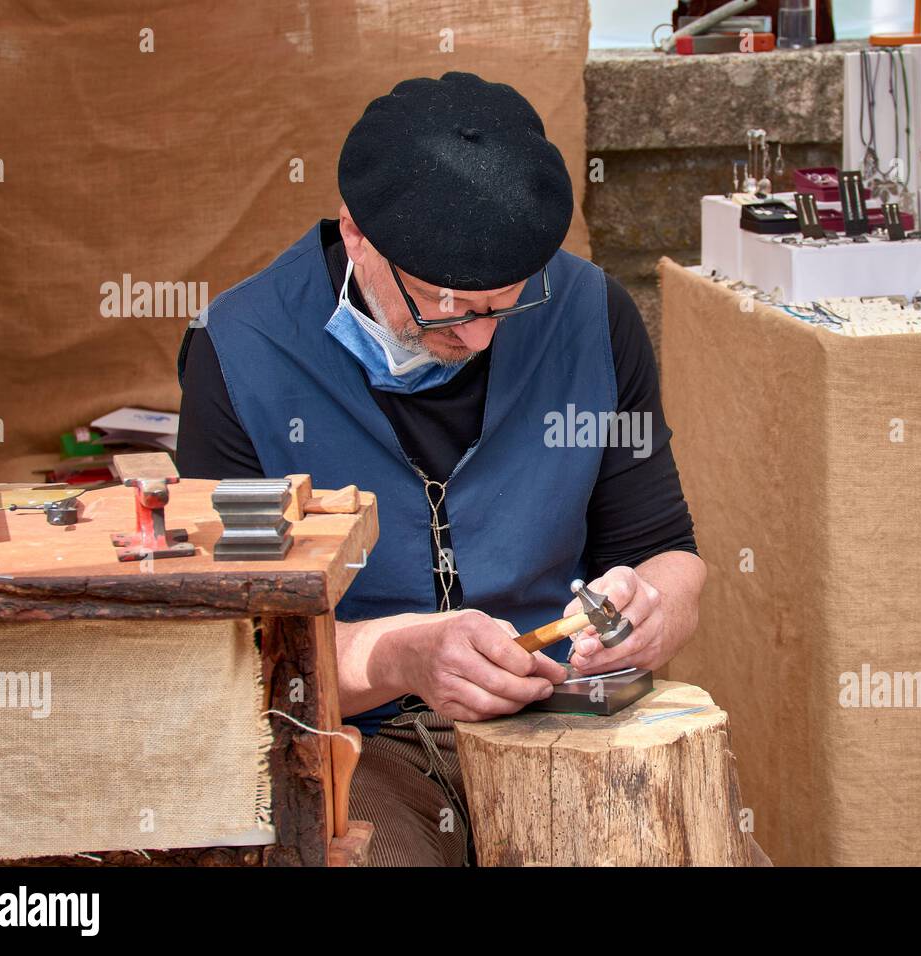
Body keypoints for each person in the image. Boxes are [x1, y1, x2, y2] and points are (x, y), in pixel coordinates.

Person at [175, 71, 705, 865]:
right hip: (358, 733)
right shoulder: (241, 351)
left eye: (507, 301)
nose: (480, 337)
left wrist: (652, 610)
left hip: (560, 715)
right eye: (444, 303)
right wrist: (401, 656)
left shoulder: (591, 313)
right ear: (357, 237)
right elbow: (237, 651)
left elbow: (667, 547)